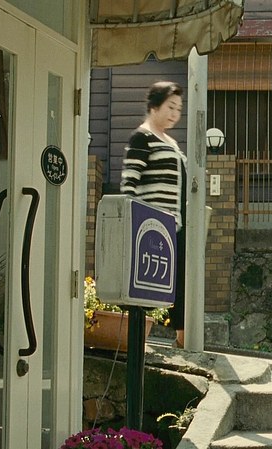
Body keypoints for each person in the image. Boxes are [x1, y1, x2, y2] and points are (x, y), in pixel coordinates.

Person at [120, 80, 187, 348]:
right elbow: (129, 185)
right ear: (154, 106)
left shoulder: (172, 142)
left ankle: (182, 340)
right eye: (170, 106)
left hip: (175, 225)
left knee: (179, 282)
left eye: (178, 109)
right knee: (148, 285)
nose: (175, 113)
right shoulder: (142, 137)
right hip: (150, 226)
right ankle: (138, 343)